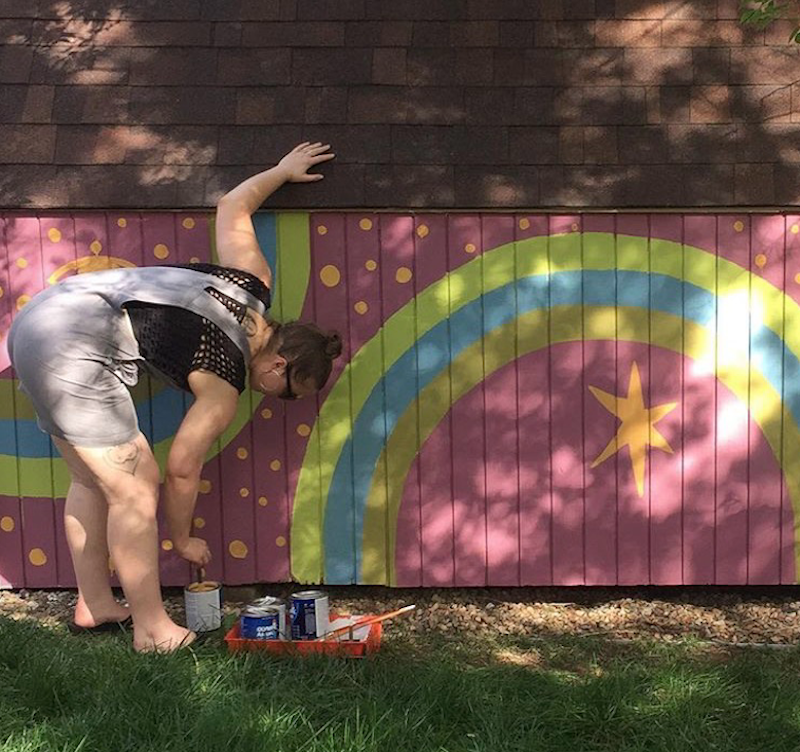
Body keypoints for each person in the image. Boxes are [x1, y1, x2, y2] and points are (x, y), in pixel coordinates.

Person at [7, 142, 340, 652]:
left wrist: (281, 171)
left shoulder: (252, 283)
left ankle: (95, 604)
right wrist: (182, 538)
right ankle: (153, 630)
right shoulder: (223, 379)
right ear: (279, 365)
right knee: (137, 484)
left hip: (42, 316)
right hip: (70, 344)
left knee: (91, 478)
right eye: (291, 394)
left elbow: (233, 205)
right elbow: (183, 468)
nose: (279, 400)